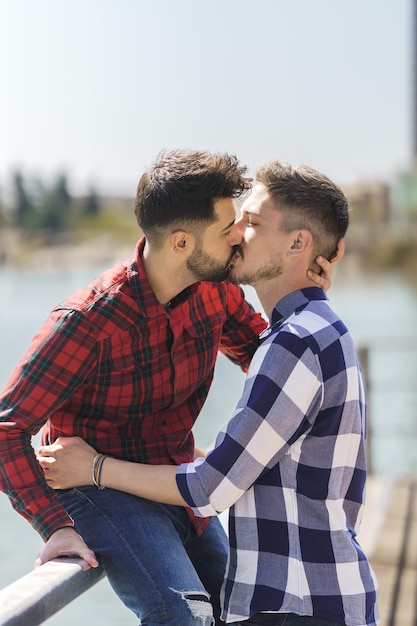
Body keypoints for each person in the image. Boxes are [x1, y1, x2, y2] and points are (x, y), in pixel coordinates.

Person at [0, 150, 336, 626]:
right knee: (183, 616)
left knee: (246, 610)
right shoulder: (90, 322)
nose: (240, 235)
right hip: (98, 489)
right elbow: (7, 429)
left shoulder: (214, 291)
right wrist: (52, 525)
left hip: (174, 480)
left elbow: (270, 358)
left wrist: (308, 295)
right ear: (182, 242)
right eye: (228, 229)